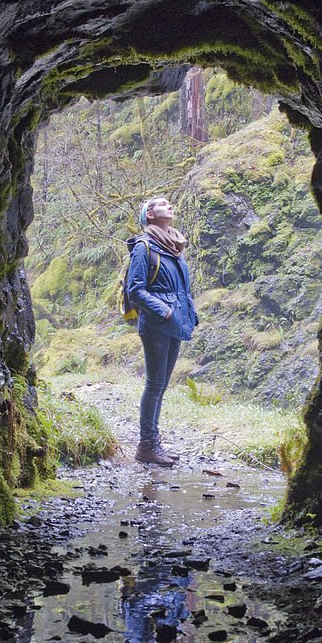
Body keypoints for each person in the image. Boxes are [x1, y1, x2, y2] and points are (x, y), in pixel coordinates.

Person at [126, 196, 198, 466]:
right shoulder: (144, 247)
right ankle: (147, 445)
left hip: (174, 322)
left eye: (169, 203)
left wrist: (189, 314)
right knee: (155, 384)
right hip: (157, 323)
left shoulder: (174, 246)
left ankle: (154, 443)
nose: (169, 206)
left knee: (162, 385)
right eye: (162, 204)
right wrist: (164, 311)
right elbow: (135, 290)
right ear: (150, 215)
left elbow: (181, 290)